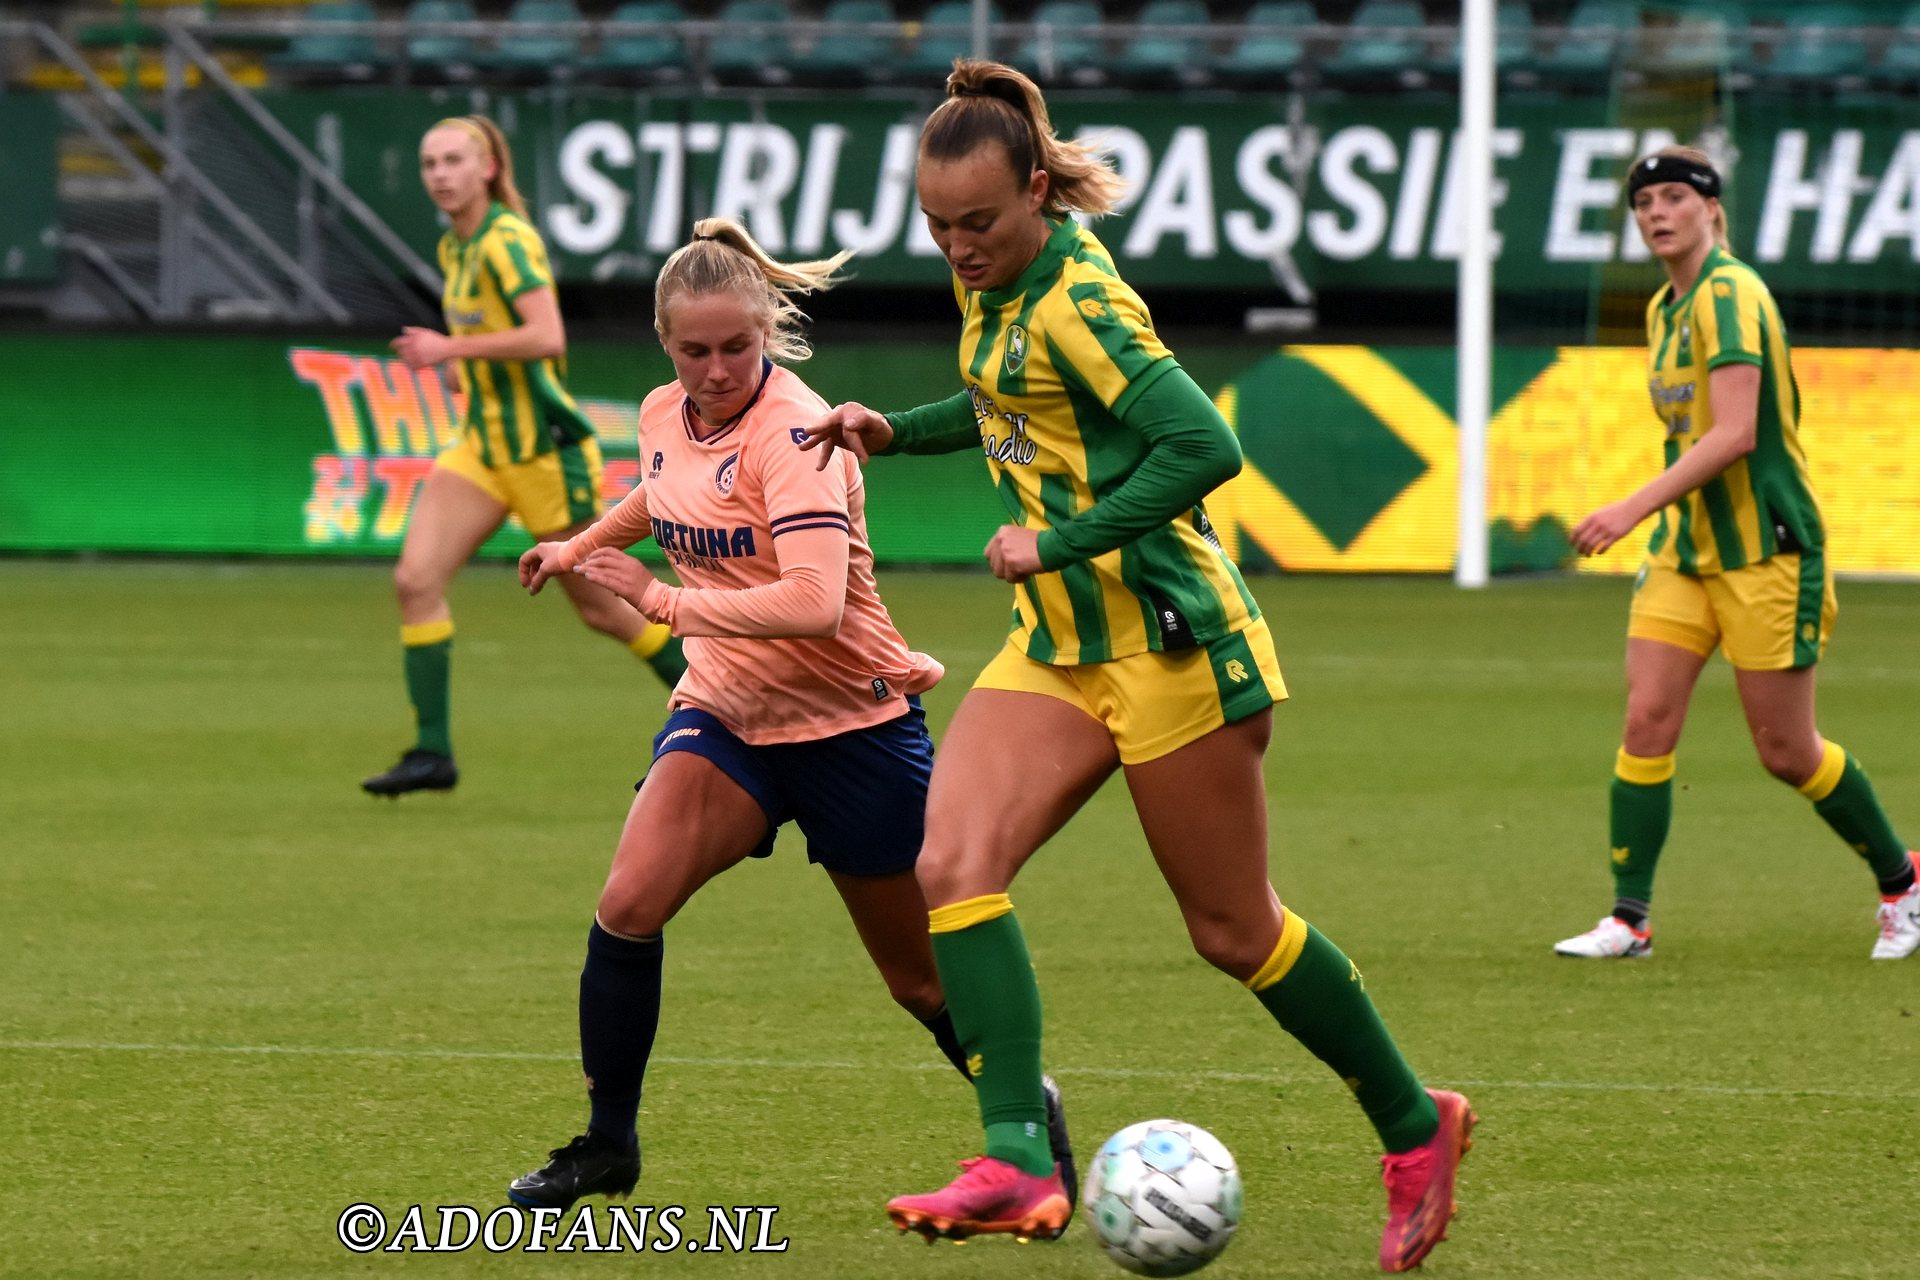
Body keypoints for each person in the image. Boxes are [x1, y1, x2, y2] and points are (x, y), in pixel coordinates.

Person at [802, 61, 1474, 1272]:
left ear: (1041, 194)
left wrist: (1055, 538)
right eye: (938, 225)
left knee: (1233, 930)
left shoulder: (1081, 302)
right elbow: (1006, 402)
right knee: (949, 859)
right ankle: (1015, 1154)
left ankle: (1417, 1125)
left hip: (1173, 645)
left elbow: (1201, 444)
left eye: (980, 223)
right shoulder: (1001, 290)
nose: (958, 246)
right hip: (1060, 644)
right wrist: (897, 429)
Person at [502, 218, 1074, 1213]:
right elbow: (660, 493)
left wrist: (664, 602)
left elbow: (812, 602)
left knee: (916, 979)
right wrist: (576, 541)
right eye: (694, 350)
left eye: (736, 347)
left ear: (765, 333)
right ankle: (608, 1142)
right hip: (727, 708)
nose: (717, 369)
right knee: (628, 901)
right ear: (663, 342)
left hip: (851, 724)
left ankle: (1026, 1117)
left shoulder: (797, 434)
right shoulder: (660, 412)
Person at [1555, 146, 1919, 962]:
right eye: (1644, 200)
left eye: (1675, 196)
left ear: (1712, 210)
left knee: (1787, 751)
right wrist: (1657, 521)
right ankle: (1630, 918)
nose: (1657, 212)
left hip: (1769, 552)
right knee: (1646, 721)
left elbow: (1736, 432)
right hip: (1689, 553)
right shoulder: (1663, 308)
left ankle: (1903, 880)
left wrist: (1629, 507)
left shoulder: (1733, 293)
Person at [362, 114, 686, 797]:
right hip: (483, 445)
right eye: (429, 163)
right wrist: (464, 371)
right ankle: (432, 753)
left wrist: (450, 350)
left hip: (542, 452)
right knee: (415, 580)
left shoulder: (508, 241)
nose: (440, 175)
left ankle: (724, 710)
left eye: (453, 160)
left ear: (485, 168)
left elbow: (545, 335)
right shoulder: (456, 246)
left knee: (603, 610)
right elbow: (497, 343)